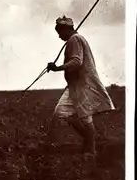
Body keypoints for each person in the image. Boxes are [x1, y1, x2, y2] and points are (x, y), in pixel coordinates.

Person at [46, 15, 115, 157]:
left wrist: (57, 68)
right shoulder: (77, 39)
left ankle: (90, 146)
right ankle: (90, 147)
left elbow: (77, 62)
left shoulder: (74, 39)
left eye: (59, 32)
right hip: (78, 85)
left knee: (62, 112)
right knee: (83, 116)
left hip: (82, 85)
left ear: (66, 29)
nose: (59, 36)